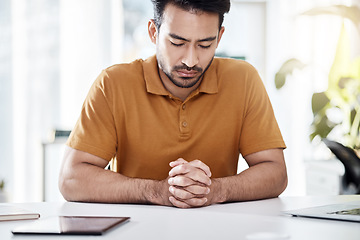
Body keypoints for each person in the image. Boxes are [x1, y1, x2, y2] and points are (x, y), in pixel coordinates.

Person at [59, 0, 287, 208]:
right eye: (177, 43)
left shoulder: (243, 79)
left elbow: (276, 173)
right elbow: (71, 178)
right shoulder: (113, 84)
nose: (190, 61)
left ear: (219, 37)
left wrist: (216, 190)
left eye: (205, 45)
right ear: (153, 32)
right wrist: (155, 191)